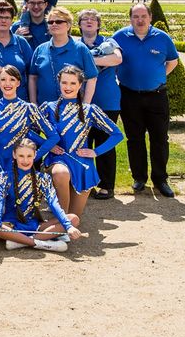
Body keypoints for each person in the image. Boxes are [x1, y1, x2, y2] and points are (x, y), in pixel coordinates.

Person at [0, 66, 59, 214]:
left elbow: (53, 136)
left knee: (13, 213)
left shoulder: (29, 108)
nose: (7, 83)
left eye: (12, 79)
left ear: (18, 83)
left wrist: (35, 156)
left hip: (17, 162)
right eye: (3, 79)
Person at [113, 3, 180, 197]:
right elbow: (110, 60)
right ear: (130, 19)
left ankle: (160, 179)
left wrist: (158, 77)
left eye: (143, 16)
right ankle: (139, 178)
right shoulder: (119, 37)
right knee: (134, 139)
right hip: (129, 95)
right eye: (135, 16)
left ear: (150, 17)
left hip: (156, 96)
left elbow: (172, 62)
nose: (139, 20)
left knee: (160, 139)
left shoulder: (162, 37)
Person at [43, 65, 124, 222]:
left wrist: (96, 152)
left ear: (80, 85)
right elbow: (28, 130)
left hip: (82, 165)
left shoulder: (90, 110)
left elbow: (117, 134)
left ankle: (56, 230)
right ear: (58, 83)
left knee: (74, 219)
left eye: (73, 83)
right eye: (64, 83)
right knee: (61, 174)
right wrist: (48, 145)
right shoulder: (49, 107)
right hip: (57, 161)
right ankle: (59, 226)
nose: (68, 87)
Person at [0, 138, 82, 252]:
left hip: (35, 226)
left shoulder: (43, 178)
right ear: (14, 155)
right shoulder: (4, 177)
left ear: (35, 155)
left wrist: (68, 226)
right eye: (21, 156)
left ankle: (20, 242)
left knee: (74, 219)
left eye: (29, 156)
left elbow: (53, 203)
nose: (25, 160)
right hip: (11, 225)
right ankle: (38, 243)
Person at [77, 9, 124, 199]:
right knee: (82, 143)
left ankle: (106, 185)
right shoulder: (76, 44)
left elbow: (117, 59)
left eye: (93, 19)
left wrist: (88, 61)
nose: (89, 22)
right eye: (85, 19)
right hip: (81, 102)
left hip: (107, 101)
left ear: (98, 24)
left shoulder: (109, 41)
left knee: (105, 144)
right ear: (79, 24)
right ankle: (86, 184)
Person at [28, 7, 97, 105]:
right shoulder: (40, 49)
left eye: (59, 21)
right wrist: (33, 103)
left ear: (68, 25)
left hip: (73, 109)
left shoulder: (81, 49)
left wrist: (85, 106)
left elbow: (92, 78)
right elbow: (32, 77)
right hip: (44, 109)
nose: (54, 24)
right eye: (50, 22)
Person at [0, 0, 33, 102]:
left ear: (12, 21)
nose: (3, 21)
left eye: (7, 18)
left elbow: (31, 74)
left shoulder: (21, 43)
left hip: (19, 102)